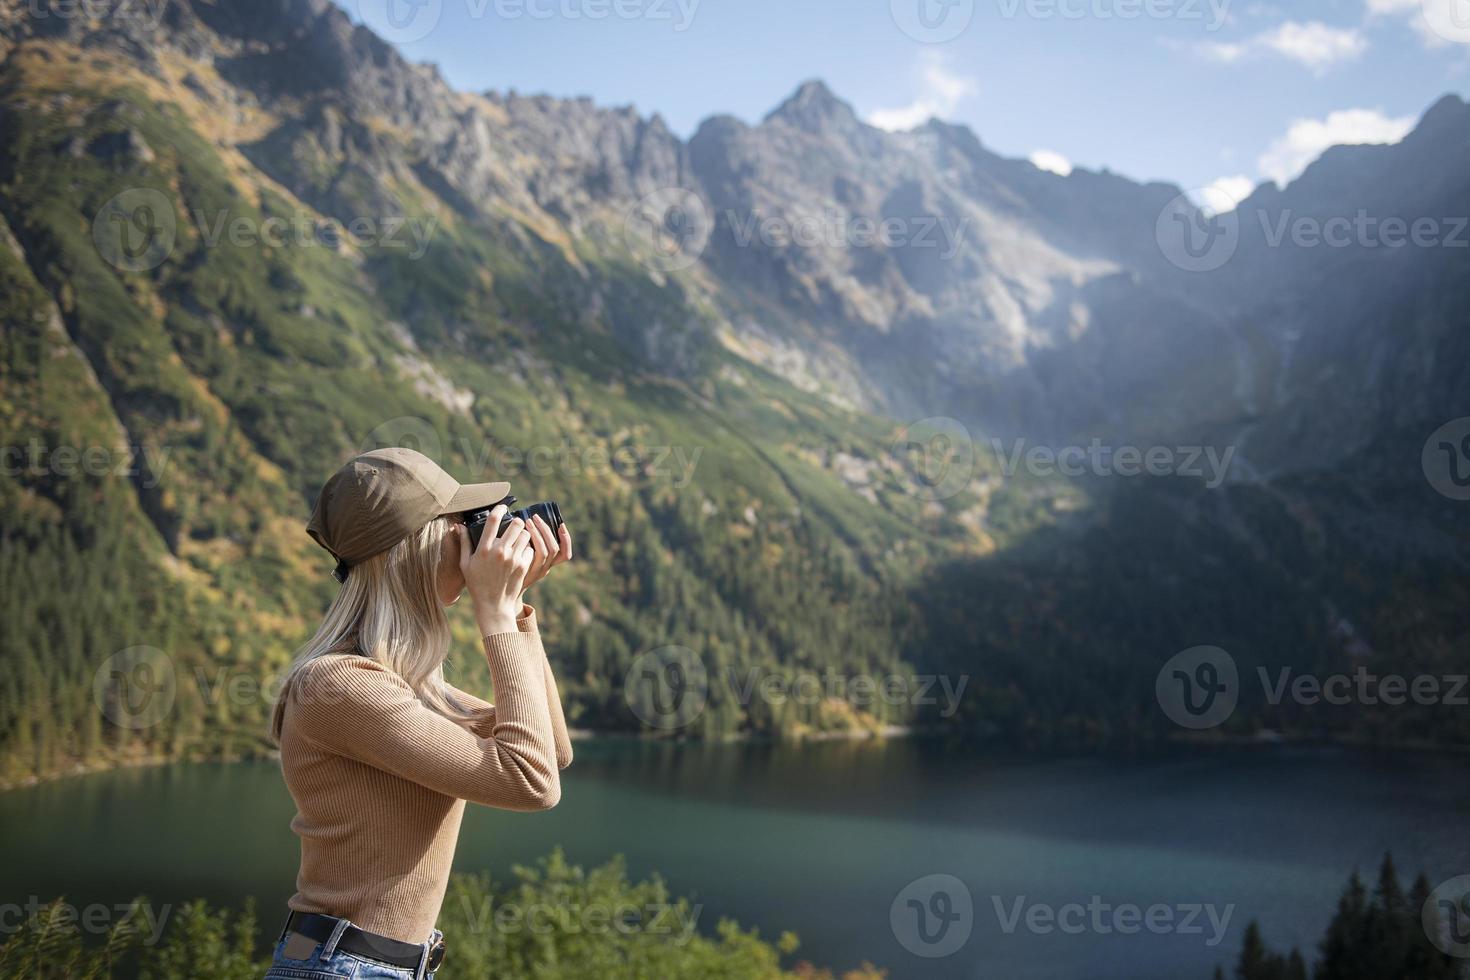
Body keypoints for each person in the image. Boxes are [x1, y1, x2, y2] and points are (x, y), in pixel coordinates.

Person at [264, 447, 573, 980]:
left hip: (377, 966)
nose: (478, 539)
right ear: (418, 546)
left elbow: (551, 751)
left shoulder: (405, 686)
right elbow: (531, 782)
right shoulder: (339, 685)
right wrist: (494, 613)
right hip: (344, 968)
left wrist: (517, 610)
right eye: (462, 525)